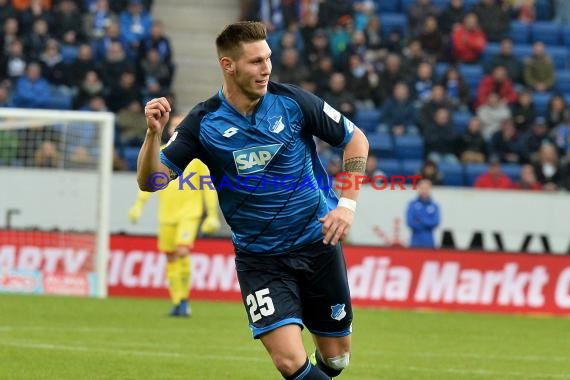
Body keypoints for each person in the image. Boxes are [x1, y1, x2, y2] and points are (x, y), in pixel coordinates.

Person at [137, 21, 369, 379]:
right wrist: (153, 136)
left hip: (317, 243)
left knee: (336, 360)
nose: (266, 69)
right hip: (260, 259)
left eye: (268, 59)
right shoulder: (203, 122)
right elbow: (152, 181)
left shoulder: (293, 102)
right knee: (289, 361)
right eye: (255, 62)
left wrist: (347, 204)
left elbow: (355, 141)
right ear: (228, 65)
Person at [129, 114, 221, 317]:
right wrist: (138, 205)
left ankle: (185, 300)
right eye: (173, 125)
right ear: (169, 129)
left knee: (182, 252)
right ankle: (177, 301)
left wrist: (212, 214)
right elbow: (149, 182)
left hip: (189, 213)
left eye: (180, 125)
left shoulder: (197, 158)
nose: (175, 128)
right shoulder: (160, 153)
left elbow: (208, 187)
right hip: (167, 215)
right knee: (170, 257)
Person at [406, 178, 440, 248]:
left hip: (429, 241)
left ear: (430, 189)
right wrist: (427, 222)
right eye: (422, 188)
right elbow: (410, 222)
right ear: (419, 189)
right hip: (415, 240)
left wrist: (421, 220)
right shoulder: (412, 204)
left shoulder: (434, 206)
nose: (424, 191)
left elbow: (435, 222)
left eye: (426, 188)